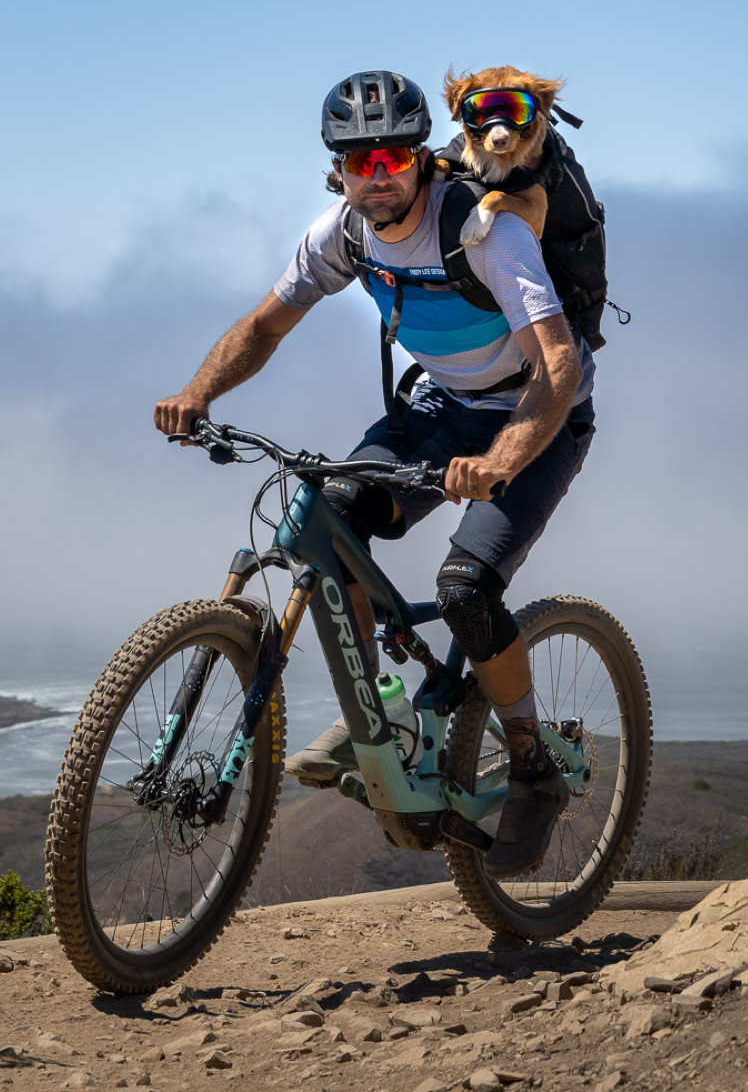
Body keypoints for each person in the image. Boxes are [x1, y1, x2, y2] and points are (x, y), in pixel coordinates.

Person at [154, 70, 596, 877]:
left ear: (424, 157)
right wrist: (197, 392)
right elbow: (265, 324)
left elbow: (559, 366)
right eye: (361, 163)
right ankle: (384, 712)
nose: (379, 176)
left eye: (394, 157)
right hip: (437, 411)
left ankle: (533, 765)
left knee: (465, 589)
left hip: (535, 418)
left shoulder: (486, 232)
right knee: (325, 520)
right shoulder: (343, 234)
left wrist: (500, 462)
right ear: (337, 172)